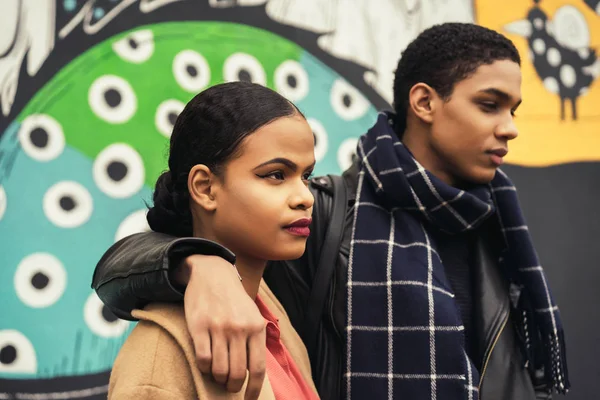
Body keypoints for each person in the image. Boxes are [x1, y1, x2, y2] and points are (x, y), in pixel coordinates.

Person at [93, 23, 569, 400]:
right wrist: (198, 264)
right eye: (490, 105)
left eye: (515, 110)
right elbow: (130, 257)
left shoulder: (498, 226)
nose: (510, 128)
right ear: (424, 101)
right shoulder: (328, 214)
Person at [103, 81, 320, 400]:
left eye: (306, 176)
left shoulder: (268, 310)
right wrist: (194, 264)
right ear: (204, 188)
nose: (306, 197)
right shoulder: (159, 356)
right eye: (275, 174)